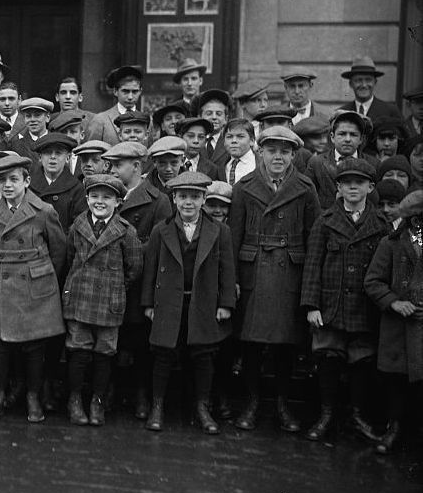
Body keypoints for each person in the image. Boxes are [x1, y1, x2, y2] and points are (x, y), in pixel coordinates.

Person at [229, 126, 320, 433]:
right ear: (261, 152)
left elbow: (314, 241)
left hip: (288, 273)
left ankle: (282, 404)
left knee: (285, 346)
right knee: (251, 345)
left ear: (294, 154)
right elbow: (234, 236)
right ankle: (252, 403)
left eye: (284, 151)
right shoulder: (244, 187)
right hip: (253, 271)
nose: (277, 157)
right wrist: (233, 282)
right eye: (271, 150)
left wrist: (309, 289)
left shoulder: (306, 188)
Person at [300, 158, 389, 443]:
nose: (353, 187)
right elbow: (313, 265)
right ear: (338, 187)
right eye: (347, 182)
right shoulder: (325, 221)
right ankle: (326, 415)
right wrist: (312, 305)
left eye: (359, 182)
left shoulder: (381, 224)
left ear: (370, 187)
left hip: (364, 307)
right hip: (331, 305)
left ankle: (356, 415)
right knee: (328, 356)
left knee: (362, 360)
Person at [141, 171, 236, 435]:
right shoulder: (162, 230)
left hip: (203, 301)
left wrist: (226, 303)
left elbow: (227, 270)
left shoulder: (220, 231)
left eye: (194, 197)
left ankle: (202, 408)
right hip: (169, 301)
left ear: (204, 199)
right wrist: (148, 303)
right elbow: (151, 268)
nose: (188, 203)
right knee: (163, 354)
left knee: (203, 356)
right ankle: (157, 406)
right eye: (182, 197)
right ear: (173, 199)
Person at [0, 154, 67, 424]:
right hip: (6, 283)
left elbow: (59, 251)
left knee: (34, 347)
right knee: (1, 346)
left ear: (27, 181)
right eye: (2, 180)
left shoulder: (43, 212)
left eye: (13, 179)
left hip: (36, 284)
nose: (7, 185)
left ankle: (32, 395)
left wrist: (40, 274)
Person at [62, 174, 143, 426]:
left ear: (118, 202)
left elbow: (134, 267)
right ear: (87, 198)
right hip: (80, 297)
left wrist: (115, 286)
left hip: (109, 300)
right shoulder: (77, 225)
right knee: (78, 349)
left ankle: (97, 401)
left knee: (105, 352)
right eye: (95, 196)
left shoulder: (126, 232)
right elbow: (69, 257)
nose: (100, 202)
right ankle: (74, 400)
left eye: (107, 197)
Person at [102, 140, 173, 417]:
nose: (112, 170)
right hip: (109, 280)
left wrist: (126, 249)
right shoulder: (107, 194)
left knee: (140, 343)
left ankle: (141, 395)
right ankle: (108, 392)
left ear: (136, 166)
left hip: (140, 281)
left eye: (117, 165)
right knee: (110, 341)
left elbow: (161, 245)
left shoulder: (159, 201)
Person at [364, 190, 423, 454]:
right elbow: (372, 281)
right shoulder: (391, 243)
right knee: (397, 382)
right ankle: (394, 429)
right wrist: (394, 303)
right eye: (414, 218)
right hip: (399, 326)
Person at [304, 110, 376, 210]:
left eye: (353, 135)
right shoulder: (317, 163)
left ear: (361, 139)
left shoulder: (373, 163)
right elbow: (307, 198)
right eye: (342, 134)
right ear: (332, 137)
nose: (347, 139)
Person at [85, 65, 144, 145]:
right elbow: (90, 154)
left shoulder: (147, 121)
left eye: (134, 92)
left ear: (140, 91)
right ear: (115, 91)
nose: (130, 97)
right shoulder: (100, 120)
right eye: (125, 91)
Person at [339, 56, 402, 123]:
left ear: (375, 82)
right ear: (351, 84)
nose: (364, 85)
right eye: (358, 80)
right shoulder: (343, 113)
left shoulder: (390, 112)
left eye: (368, 80)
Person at [221, 118, 258, 186]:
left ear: (252, 141)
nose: (234, 141)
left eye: (240, 136)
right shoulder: (220, 165)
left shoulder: (261, 163)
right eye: (229, 137)